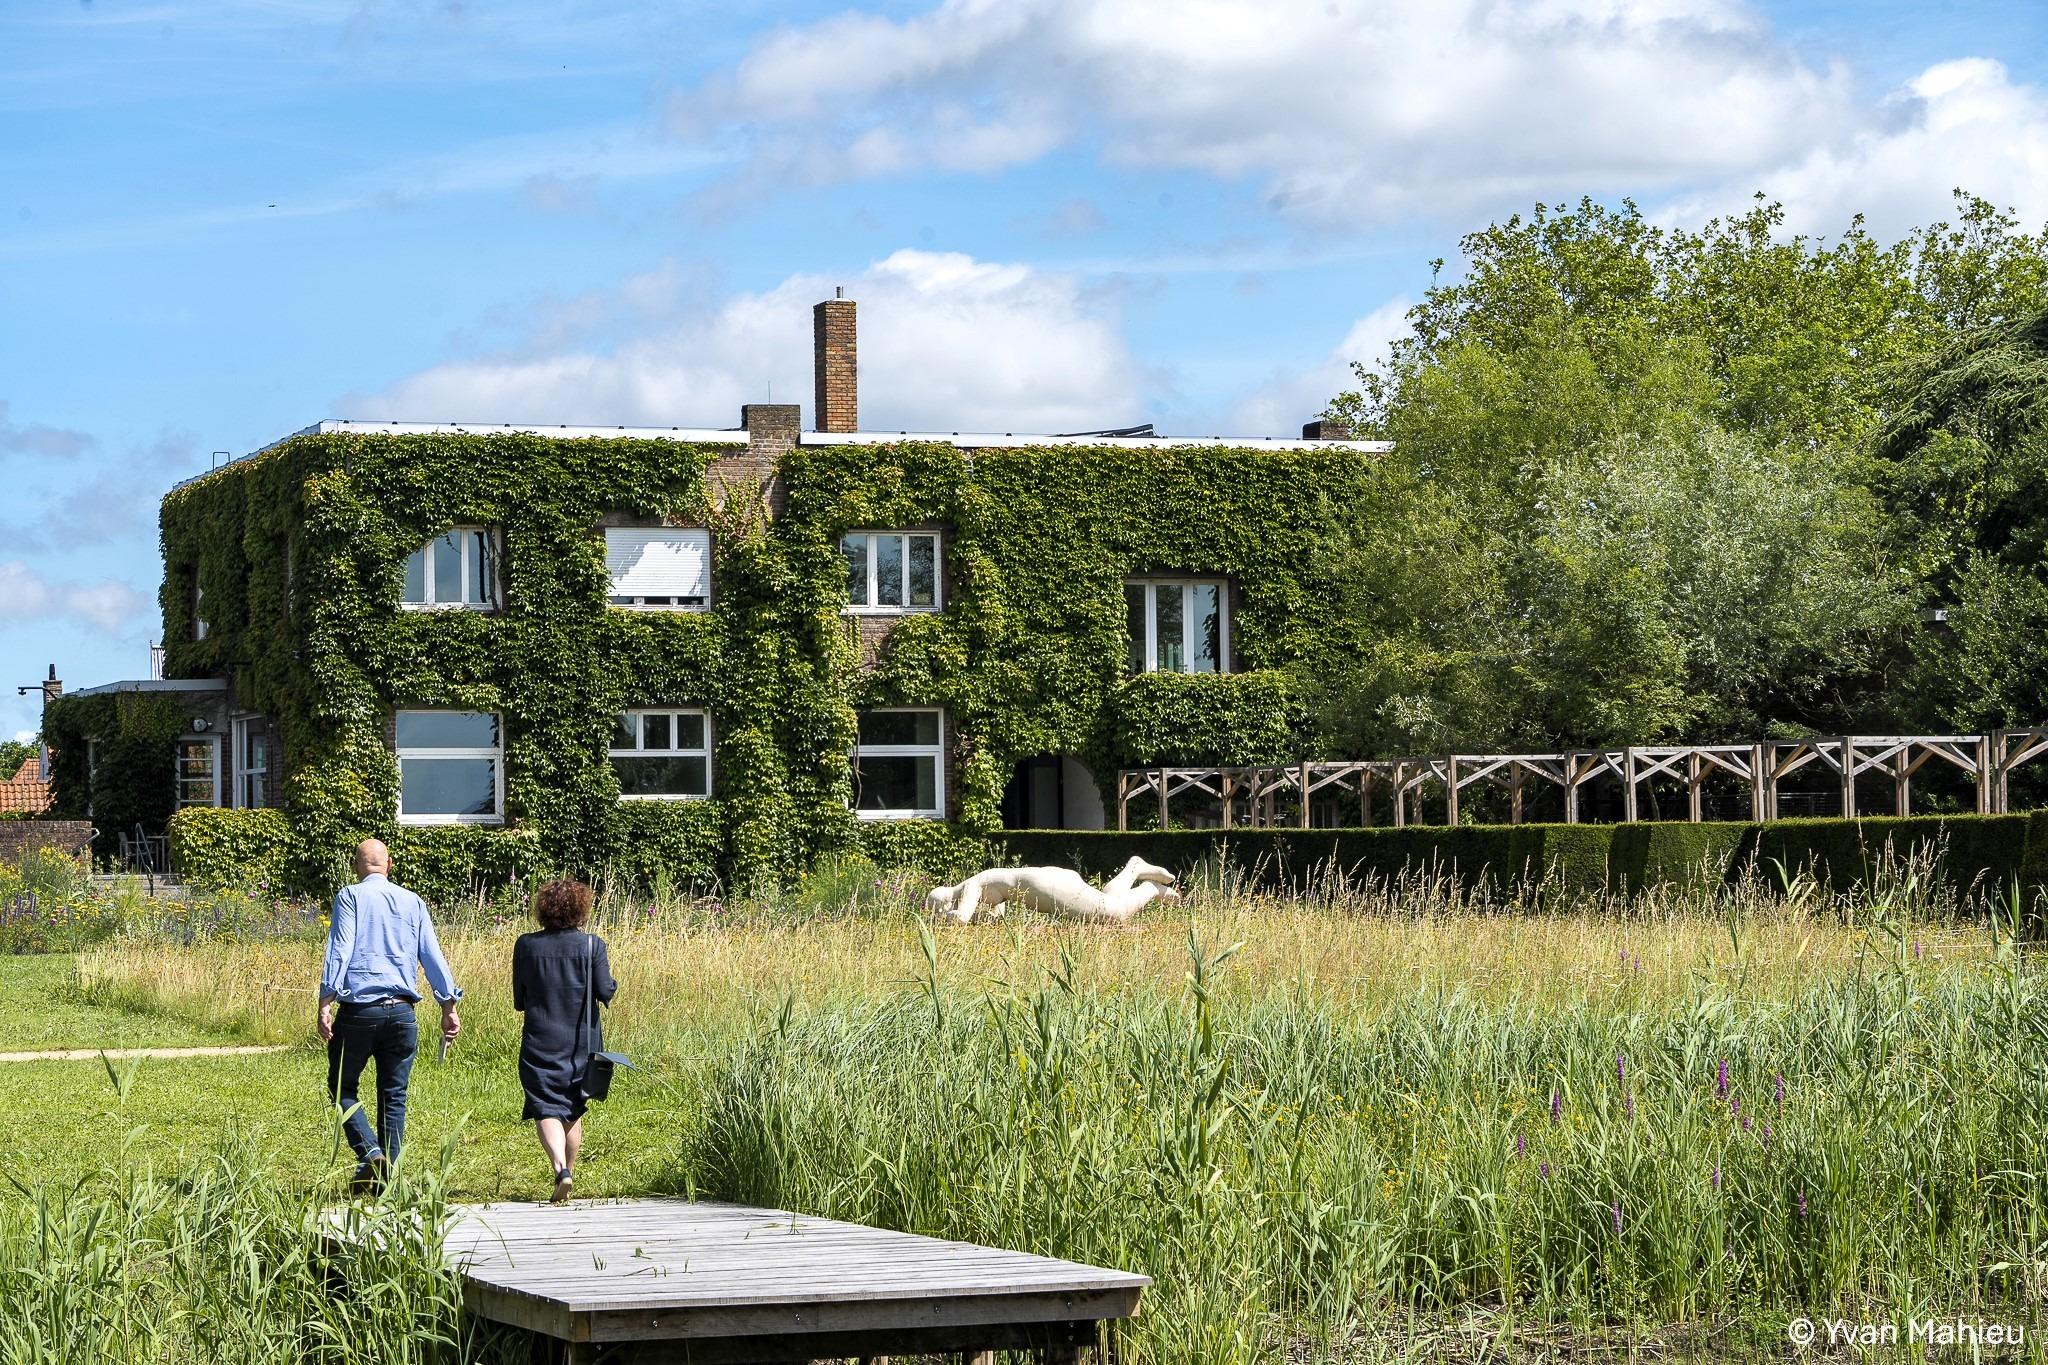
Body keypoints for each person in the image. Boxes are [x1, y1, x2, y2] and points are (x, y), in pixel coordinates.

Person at [317, 837, 462, 1192]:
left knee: (342, 1087)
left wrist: (326, 1000)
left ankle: (370, 1153)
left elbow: (341, 949)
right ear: (389, 864)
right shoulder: (412, 901)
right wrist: (448, 1005)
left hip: (360, 1013)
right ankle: (388, 1181)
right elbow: (432, 955)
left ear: (356, 866)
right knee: (393, 1095)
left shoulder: (350, 896)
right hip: (402, 1013)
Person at [512, 878, 617, 1203]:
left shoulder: (526, 945)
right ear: (580, 909)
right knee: (573, 1107)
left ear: (543, 909)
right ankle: (568, 1172)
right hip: (581, 1043)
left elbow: (519, 1000)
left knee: (545, 1104)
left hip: (540, 1038)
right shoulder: (592, 946)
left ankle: (560, 1169)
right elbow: (605, 991)